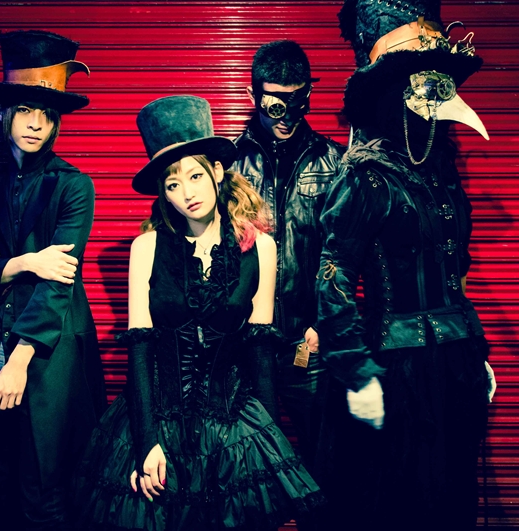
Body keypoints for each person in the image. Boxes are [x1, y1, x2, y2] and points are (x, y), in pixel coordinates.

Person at [74, 96, 323, 531]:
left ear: (217, 172)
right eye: (172, 184)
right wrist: (145, 443)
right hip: (158, 420)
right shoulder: (146, 248)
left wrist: (269, 447)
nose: (187, 193)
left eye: (194, 176)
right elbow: (140, 351)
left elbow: (260, 353)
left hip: (230, 424)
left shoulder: (261, 248)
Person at [314, 1, 497, 530]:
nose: (438, 98)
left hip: (454, 367)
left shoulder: (441, 177)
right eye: (424, 82)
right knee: (399, 503)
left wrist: (474, 349)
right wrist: (357, 372)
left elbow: (454, 270)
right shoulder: (366, 177)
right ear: (395, 92)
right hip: (397, 372)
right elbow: (332, 279)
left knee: (450, 501)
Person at [0, 30, 106, 530]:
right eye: (26, 110)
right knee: (0, 478)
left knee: (45, 485)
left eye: (47, 114)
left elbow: (59, 284)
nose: (36, 124)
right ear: (3, 113)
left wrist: (19, 359)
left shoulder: (73, 185)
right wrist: (25, 262)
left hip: (49, 351)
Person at [230, 41, 346, 492]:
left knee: (324, 473)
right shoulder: (227, 164)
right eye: (275, 102)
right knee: (249, 476)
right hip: (244, 346)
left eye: (297, 101)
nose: (286, 115)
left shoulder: (335, 162)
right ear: (252, 94)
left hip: (309, 344)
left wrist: (326, 321)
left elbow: (346, 252)